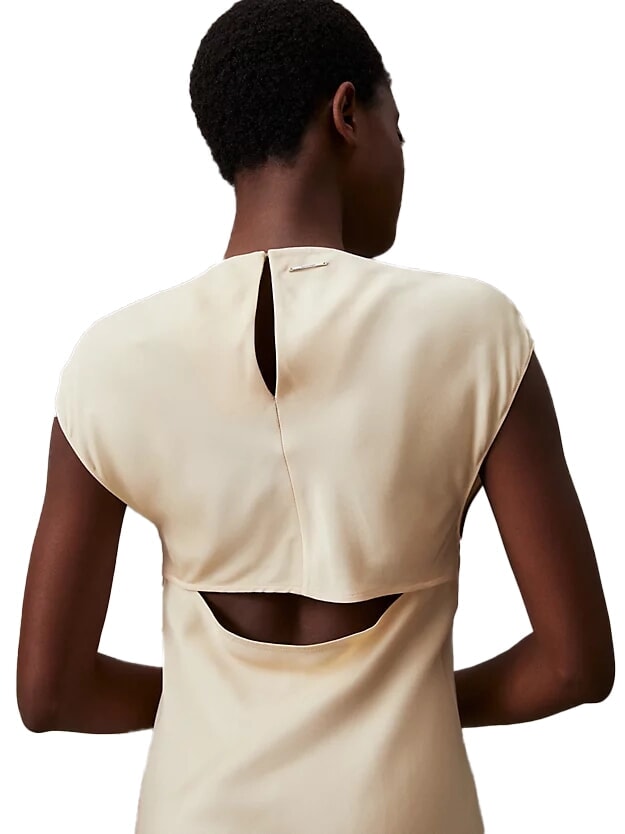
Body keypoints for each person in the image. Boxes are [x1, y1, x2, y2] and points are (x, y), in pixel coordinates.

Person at [17, 1, 615, 832]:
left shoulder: (110, 362)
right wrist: (414, 700)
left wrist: (214, 702)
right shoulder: (476, 334)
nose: (402, 153)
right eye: (397, 125)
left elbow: (50, 693)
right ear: (346, 115)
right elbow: (575, 665)